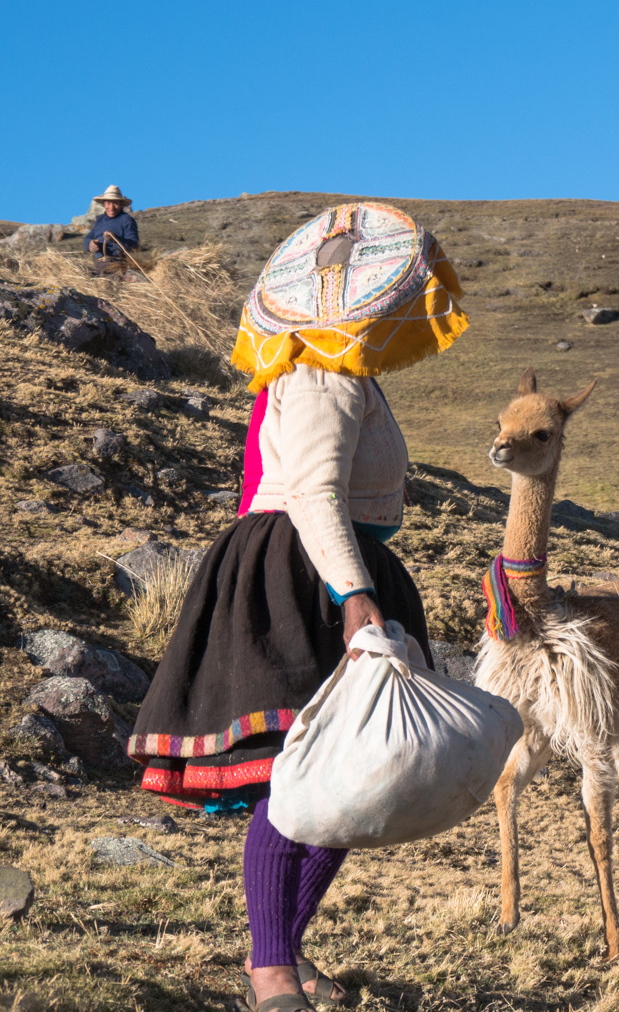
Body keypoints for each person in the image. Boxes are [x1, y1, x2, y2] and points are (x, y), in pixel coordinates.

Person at [127, 202, 469, 1012]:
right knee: (306, 778)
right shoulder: (320, 372)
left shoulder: (342, 373)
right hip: (302, 573)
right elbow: (314, 494)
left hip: (329, 565)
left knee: (347, 781)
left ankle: (282, 954)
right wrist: (355, 599)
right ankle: (271, 971)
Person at [83, 185, 140, 276]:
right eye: (108, 203)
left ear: (121, 204)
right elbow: (88, 238)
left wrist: (114, 239)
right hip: (100, 263)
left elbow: (133, 244)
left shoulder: (126, 220)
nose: (111, 207)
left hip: (117, 262)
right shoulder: (100, 220)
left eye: (115, 204)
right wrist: (90, 244)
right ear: (104, 204)